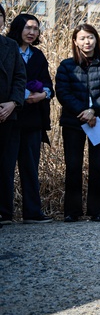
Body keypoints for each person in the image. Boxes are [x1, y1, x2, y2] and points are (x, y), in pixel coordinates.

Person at [56, 23, 100, 222]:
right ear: (75, 41)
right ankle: (72, 211)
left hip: (99, 120)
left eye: (90, 37)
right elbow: (63, 93)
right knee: (73, 166)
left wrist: (93, 110)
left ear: (96, 39)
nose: (86, 41)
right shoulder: (66, 66)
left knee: (98, 166)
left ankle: (96, 211)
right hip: (74, 122)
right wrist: (82, 112)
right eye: (82, 38)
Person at [5, 13, 53, 224]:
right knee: (5, 167)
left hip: (33, 119)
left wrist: (43, 94)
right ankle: (4, 213)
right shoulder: (6, 49)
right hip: (10, 117)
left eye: (35, 28)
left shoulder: (38, 55)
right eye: (28, 28)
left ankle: (32, 212)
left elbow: (48, 85)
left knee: (30, 167)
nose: (32, 32)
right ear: (18, 28)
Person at [0, 3, 27, 230]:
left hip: (7, 114)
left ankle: (4, 212)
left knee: (5, 165)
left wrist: (13, 103)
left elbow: (20, 77)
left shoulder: (10, 46)